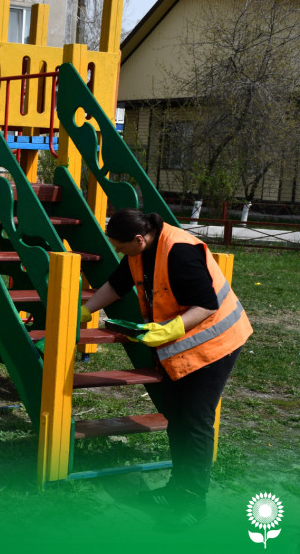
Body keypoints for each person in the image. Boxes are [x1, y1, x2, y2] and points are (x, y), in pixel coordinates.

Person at [81, 208, 253, 523]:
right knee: (176, 414)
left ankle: (191, 503)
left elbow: (207, 305)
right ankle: (177, 489)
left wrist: (170, 329)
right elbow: (118, 285)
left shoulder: (180, 253)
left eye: (120, 246)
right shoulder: (140, 251)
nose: (117, 251)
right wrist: (85, 310)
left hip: (217, 343)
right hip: (183, 347)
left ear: (138, 238)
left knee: (195, 420)